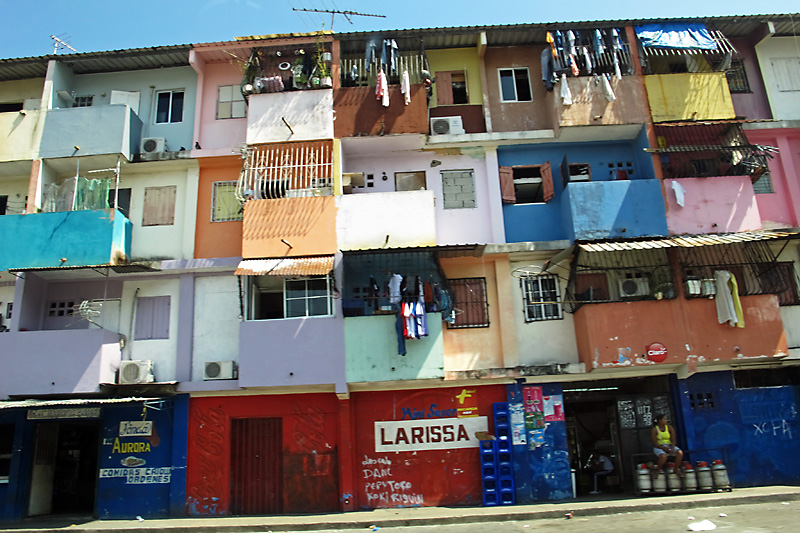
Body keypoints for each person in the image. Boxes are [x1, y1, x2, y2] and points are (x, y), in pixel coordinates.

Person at [651, 413, 683, 478]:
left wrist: (672, 448)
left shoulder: (669, 428)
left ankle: (676, 469)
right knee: (663, 457)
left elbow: (673, 439)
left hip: (669, 445)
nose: (666, 421)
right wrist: (662, 448)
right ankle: (657, 470)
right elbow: (654, 442)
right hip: (659, 447)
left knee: (680, 453)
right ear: (659, 421)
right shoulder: (654, 429)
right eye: (664, 419)